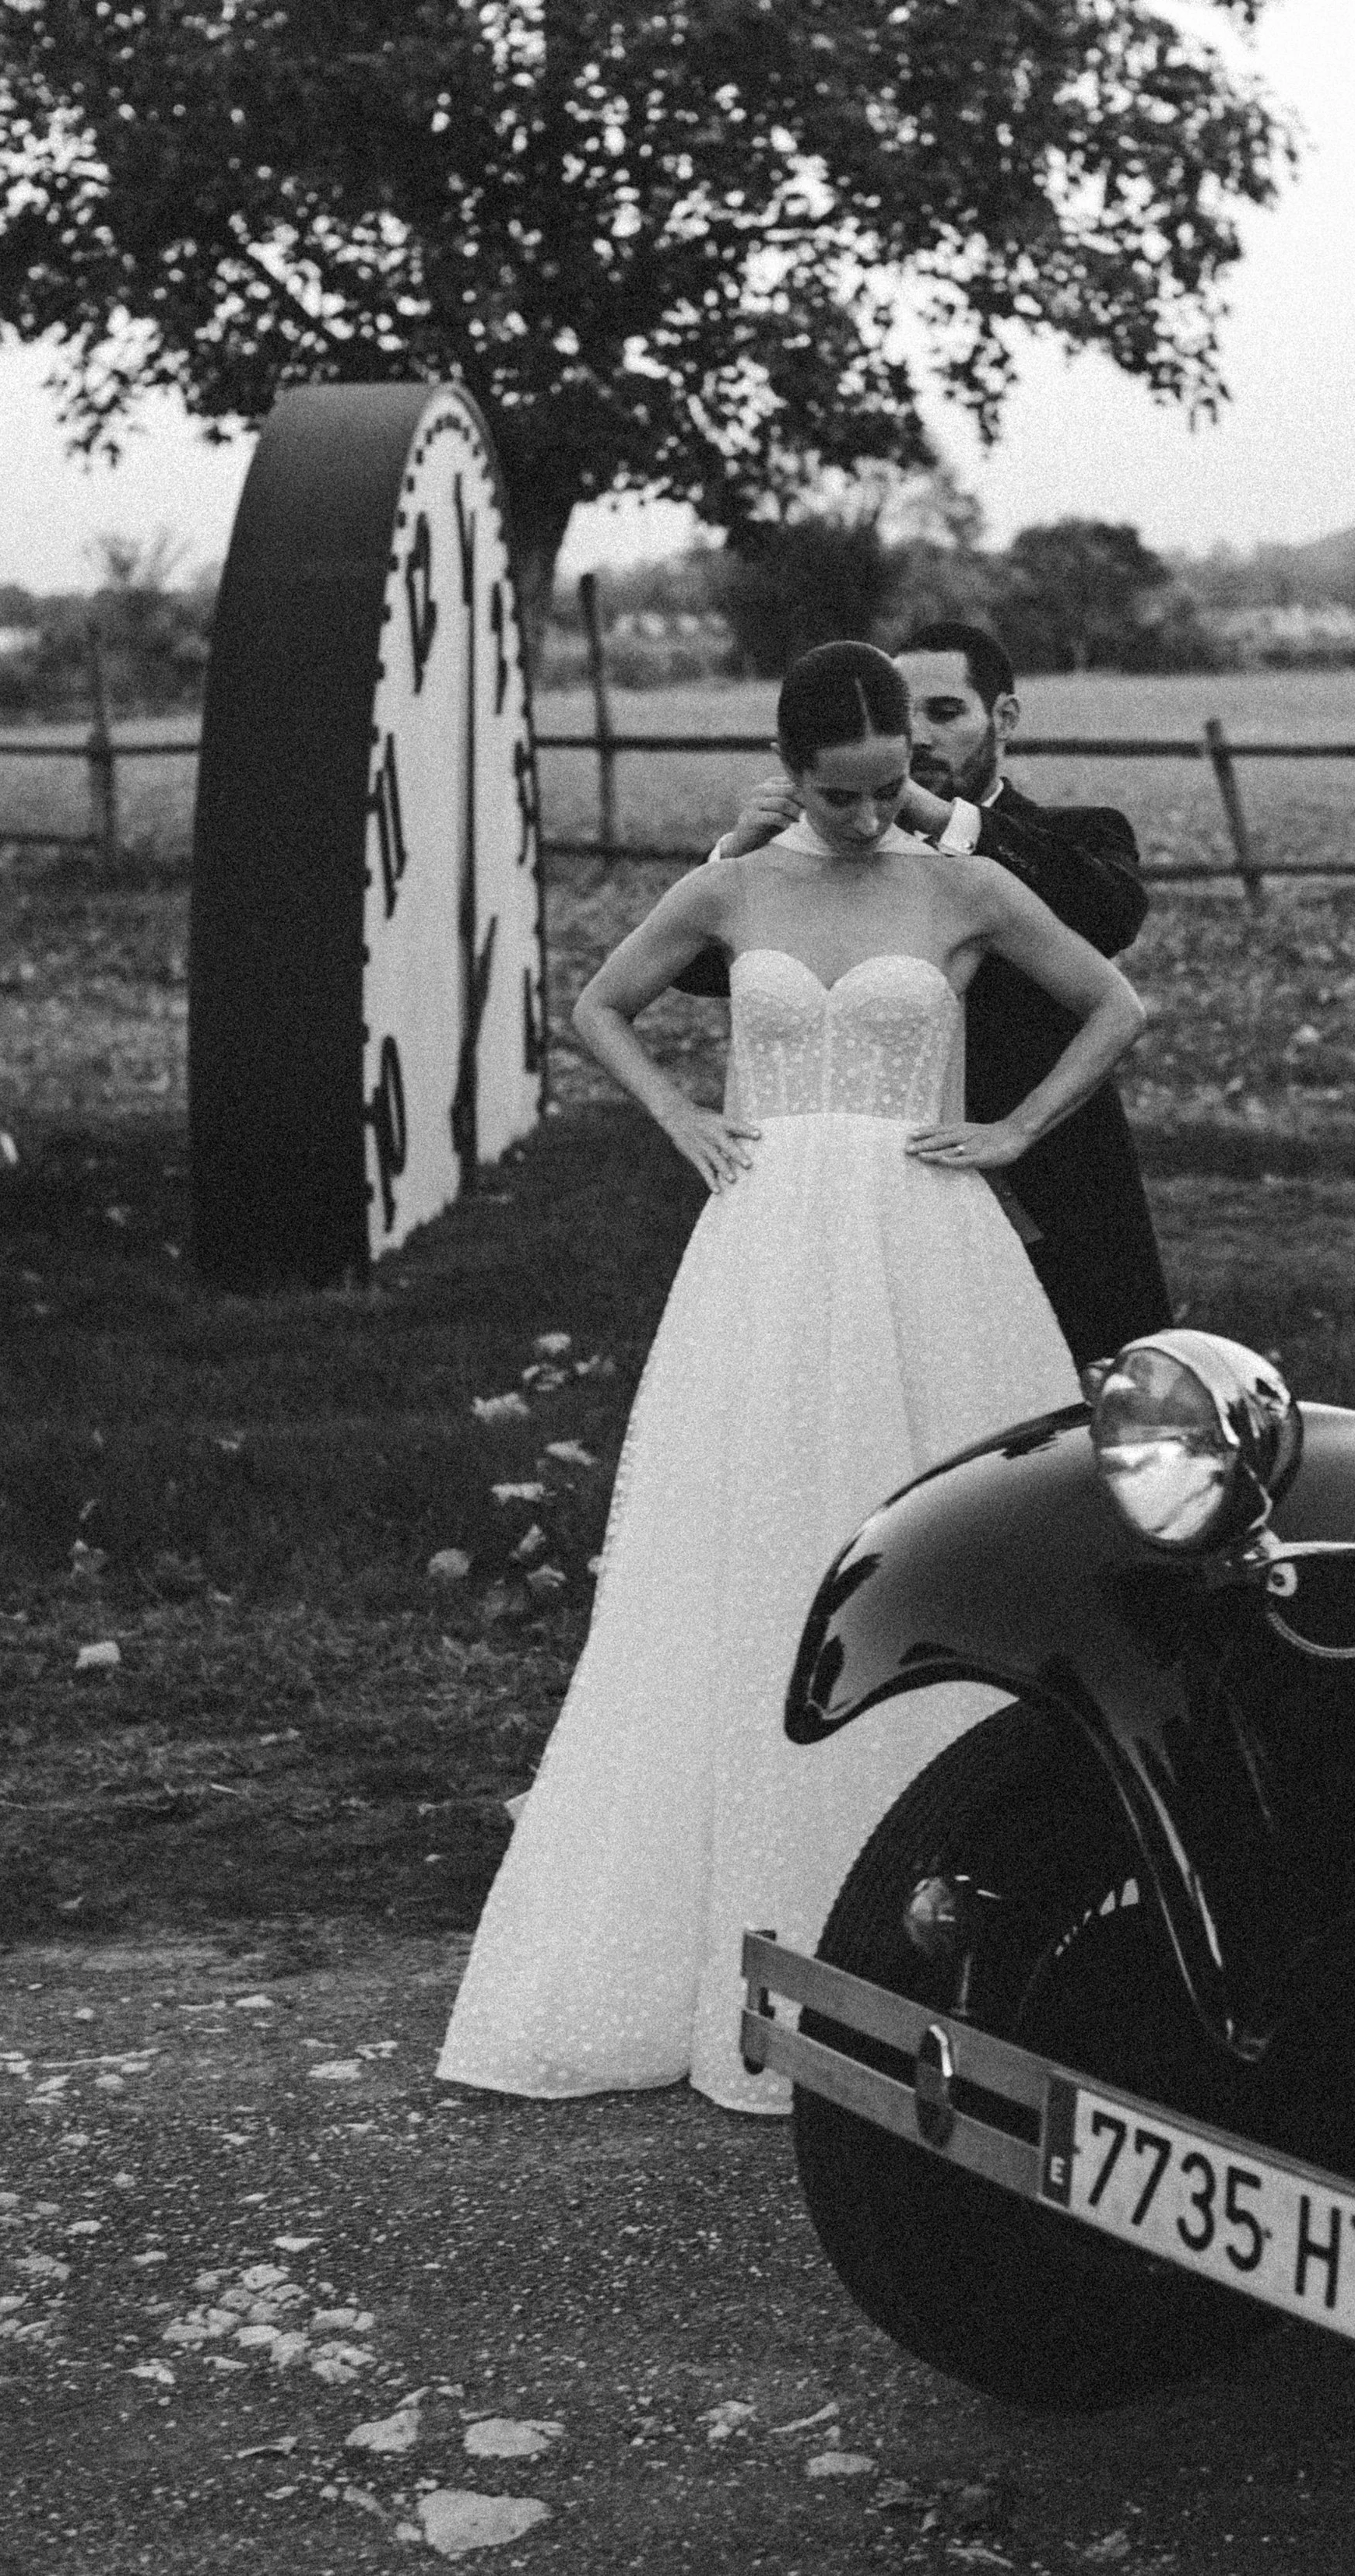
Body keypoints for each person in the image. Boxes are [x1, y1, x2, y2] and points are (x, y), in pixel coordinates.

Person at [437, 643, 1146, 2114]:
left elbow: (1113, 1003)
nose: (872, 814)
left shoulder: (958, 885)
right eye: (842, 795)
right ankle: (712, 1930)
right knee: (739, 1548)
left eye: (894, 786)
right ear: (791, 769)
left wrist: (1014, 1132)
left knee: (940, 1536)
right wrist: (681, 1116)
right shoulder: (735, 881)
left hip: (918, 1231)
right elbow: (600, 1004)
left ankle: (955, 1921)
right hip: (761, 1245)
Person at [695, 622, 1171, 1368]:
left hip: (1056, 1185)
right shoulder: (823, 853)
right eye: (900, 713)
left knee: (1085, 1422)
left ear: (1003, 719)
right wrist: (736, 858)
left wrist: (936, 818)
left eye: (943, 712)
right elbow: (703, 972)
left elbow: (1108, 917)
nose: (915, 736)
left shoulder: (1077, 836)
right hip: (874, 1208)